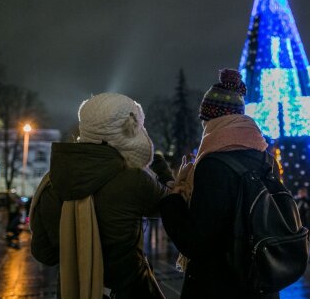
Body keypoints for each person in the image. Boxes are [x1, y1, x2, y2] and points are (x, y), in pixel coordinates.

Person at [30, 93, 174, 299]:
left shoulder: (53, 181)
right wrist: (163, 172)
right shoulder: (134, 180)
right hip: (128, 291)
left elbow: (44, 253)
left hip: (74, 291)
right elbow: (172, 207)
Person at [159, 69, 275, 299]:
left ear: (211, 121)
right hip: (260, 282)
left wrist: (173, 200)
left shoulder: (212, 165)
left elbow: (197, 243)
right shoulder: (266, 159)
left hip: (220, 285)